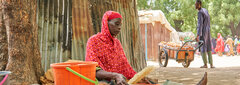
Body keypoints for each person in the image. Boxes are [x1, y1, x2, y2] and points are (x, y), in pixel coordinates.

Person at [85, 11, 136, 85]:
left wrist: (139, 76)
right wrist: (115, 75)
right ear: (106, 23)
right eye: (117, 24)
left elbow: (126, 68)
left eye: (120, 25)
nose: (119, 28)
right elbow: (94, 70)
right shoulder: (93, 41)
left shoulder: (117, 43)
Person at [195, 0, 215, 68]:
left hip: (203, 32)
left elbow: (200, 24)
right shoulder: (205, 10)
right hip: (208, 31)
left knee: (203, 46)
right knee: (209, 47)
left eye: (196, 4)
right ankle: (211, 64)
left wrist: (198, 35)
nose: (195, 5)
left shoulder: (200, 12)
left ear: (199, 4)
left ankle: (205, 64)